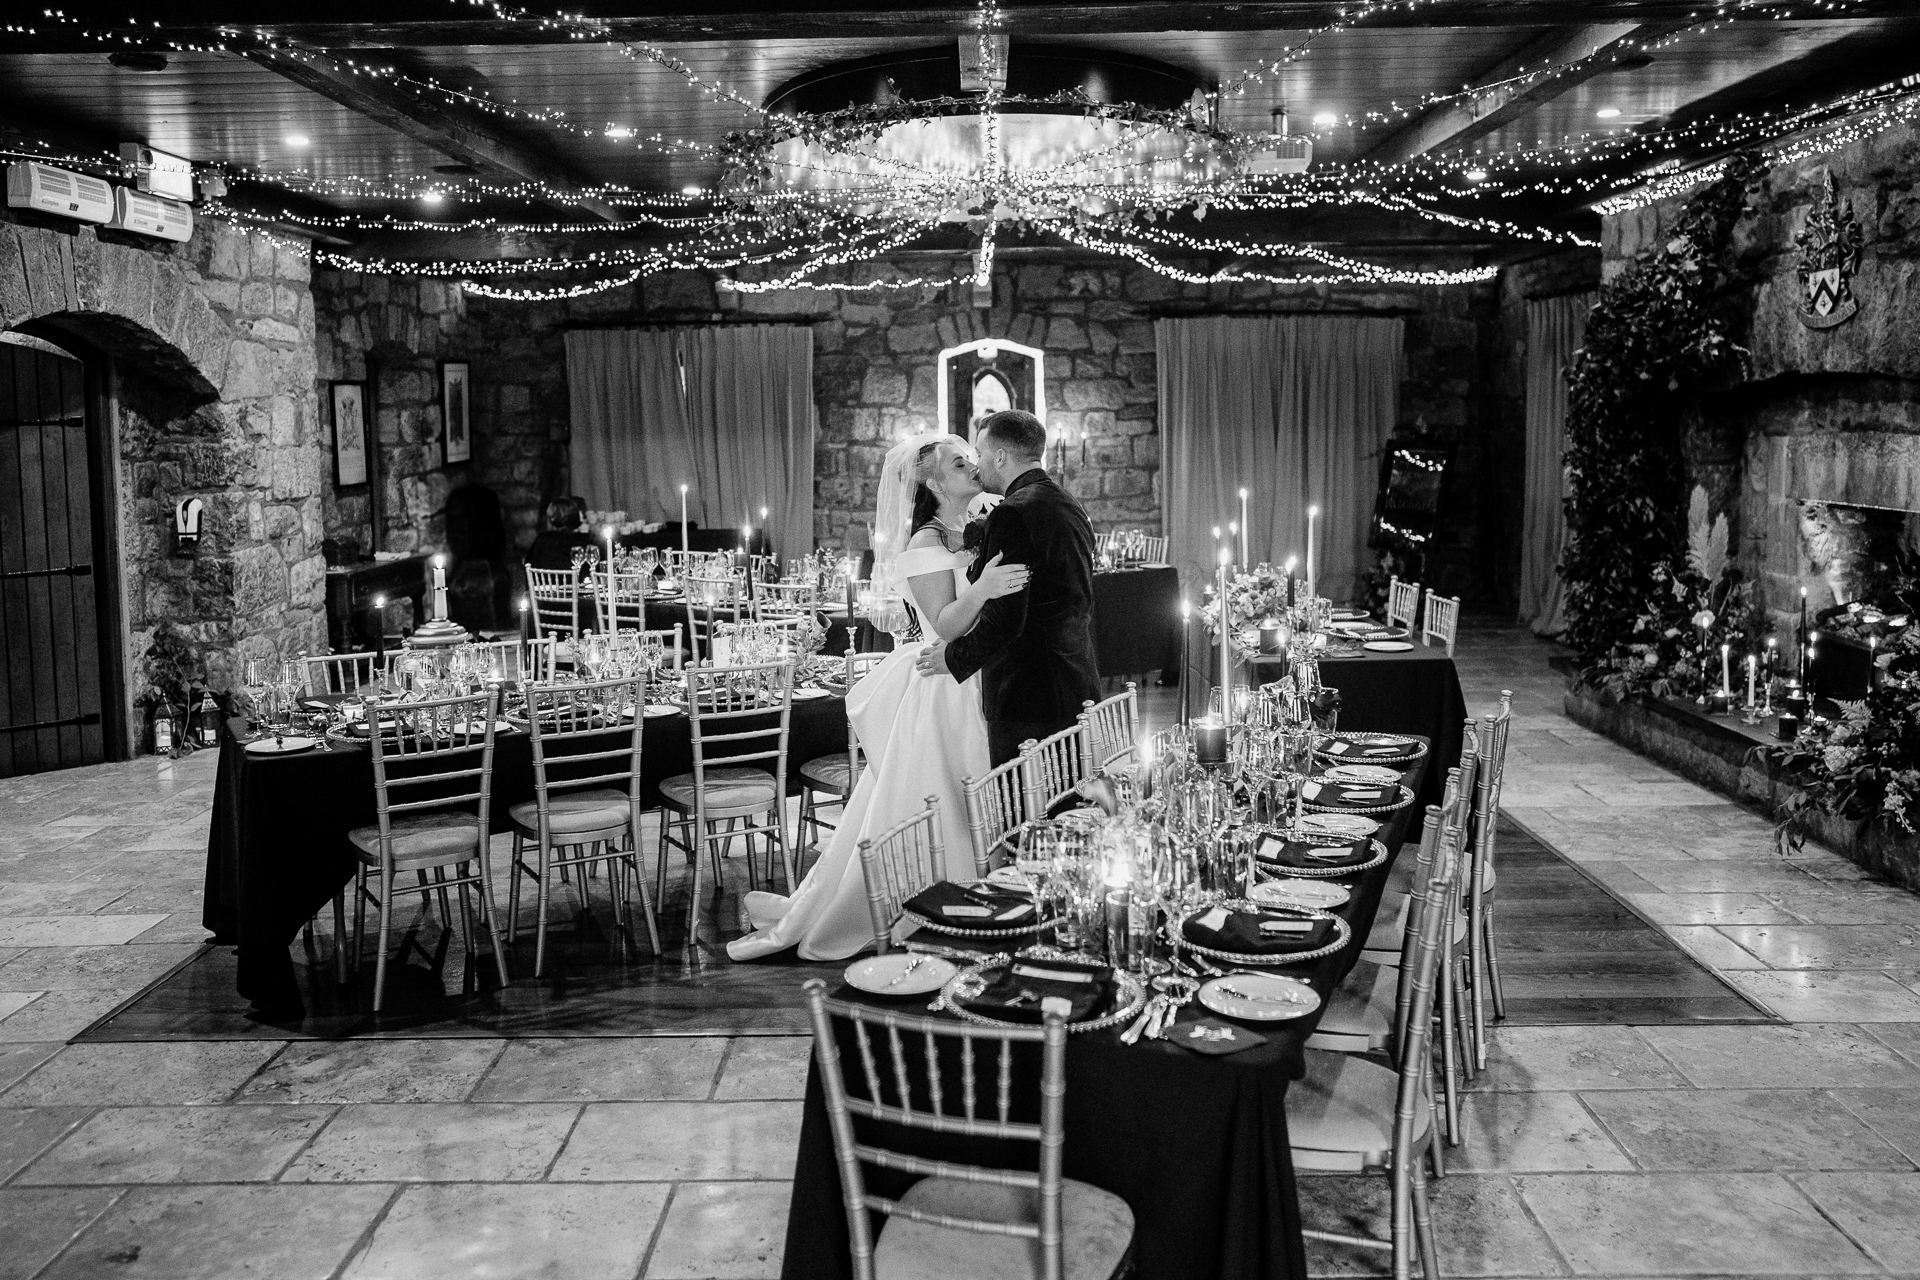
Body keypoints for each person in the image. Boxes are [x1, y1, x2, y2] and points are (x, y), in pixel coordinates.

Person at [726, 433, 1029, 961]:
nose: (973, 467)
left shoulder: (977, 526)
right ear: (933, 483)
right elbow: (945, 624)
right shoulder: (924, 545)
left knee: (977, 793)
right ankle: (935, 905)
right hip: (945, 686)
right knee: (943, 797)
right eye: (960, 464)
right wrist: (984, 588)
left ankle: (982, 898)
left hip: (979, 677)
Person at [917, 409, 1101, 766]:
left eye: (979, 453)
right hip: (1076, 678)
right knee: (1068, 805)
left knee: (1026, 813)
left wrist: (952, 659)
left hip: (1030, 695)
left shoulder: (1012, 513)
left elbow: (1006, 620)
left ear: (999, 457)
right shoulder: (1068, 503)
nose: (976, 464)